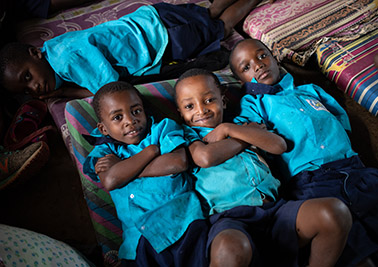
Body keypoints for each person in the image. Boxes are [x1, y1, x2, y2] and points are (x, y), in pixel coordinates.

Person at [229, 38, 378, 266]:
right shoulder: (254, 104)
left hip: (355, 170)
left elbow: (341, 124)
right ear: (239, 79)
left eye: (262, 56)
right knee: (355, 254)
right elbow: (250, 134)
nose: (258, 65)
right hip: (314, 183)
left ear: (273, 57)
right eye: (246, 67)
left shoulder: (311, 90)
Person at [174, 68, 352, 267]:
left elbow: (278, 145)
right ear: (180, 113)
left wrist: (228, 129)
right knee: (228, 249)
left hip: (276, 210)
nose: (201, 110)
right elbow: (205, 157)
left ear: (223, 100)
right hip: (231, 218)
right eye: (189, 106)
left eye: (209, 100)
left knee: (335, 213)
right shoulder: (187, 136)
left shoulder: (242, 123)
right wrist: (244, 137)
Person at [0, 0, 262, 100]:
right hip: (152, 18)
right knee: (209, 12)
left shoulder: (68, 61)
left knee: (222, 27)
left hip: (163, 37)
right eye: (26, 89)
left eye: (27, 76)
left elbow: (110, 90)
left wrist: (66, 92)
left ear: (35, 54)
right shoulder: (52, 50)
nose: (33, 87)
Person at [82, 81, 208, 266]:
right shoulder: (103, 150)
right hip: (138, 241)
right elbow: (111, 179)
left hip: (183, 224)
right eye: (117, 117)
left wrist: (126, 167)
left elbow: (177, 162)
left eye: (136, 111)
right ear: (103, 129)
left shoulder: (162, 129)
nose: (130, 120)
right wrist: (150, 153)